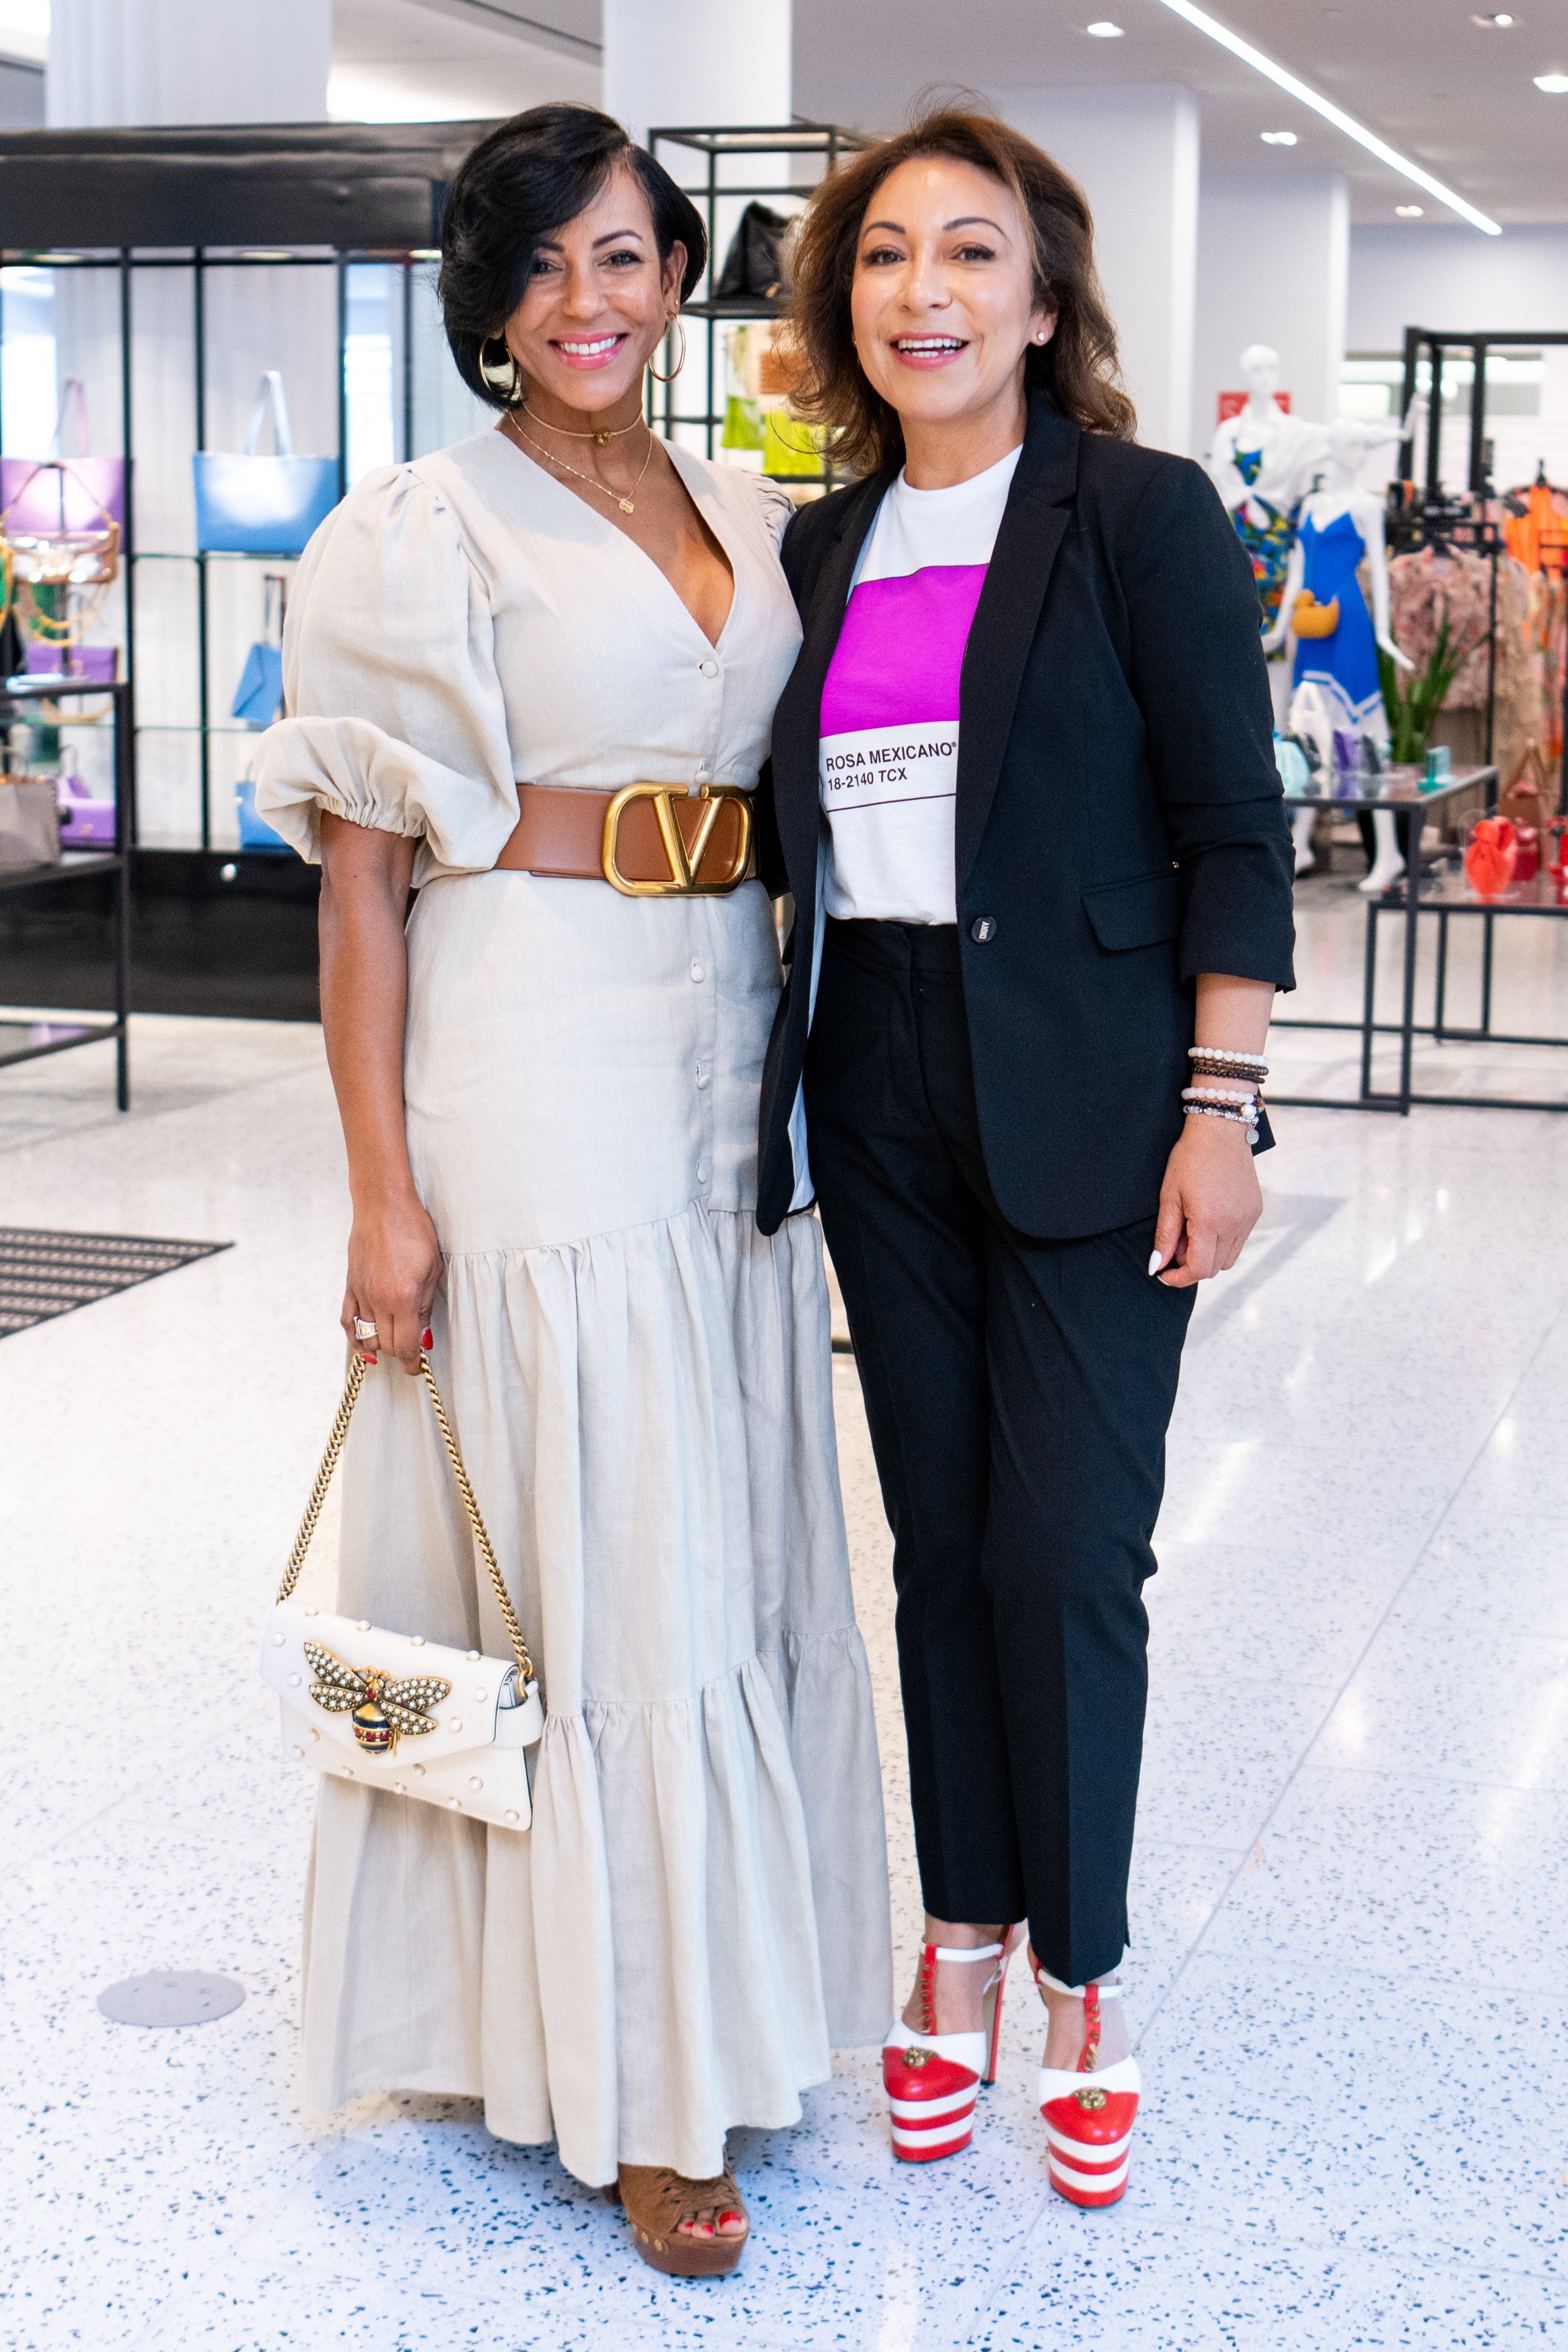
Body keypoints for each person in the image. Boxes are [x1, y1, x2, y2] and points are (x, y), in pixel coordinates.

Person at [253, 102, 891, 2278]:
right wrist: (374, 1196)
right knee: (598, 1541)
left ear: (675, 269)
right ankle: (637, 2084)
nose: (587, 305)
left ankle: (730, 1993)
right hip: (525, 1033)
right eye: (540, 268)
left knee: (710, 1519)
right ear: (483, 300)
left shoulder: (753, 502)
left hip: (727, 1025)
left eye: (622, 257)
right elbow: (358, 890)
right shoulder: (417, 529)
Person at [755, 104, 1295, 2207]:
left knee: (1068, 1549)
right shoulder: (815, 541)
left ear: (1042, 301)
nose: (925, 294)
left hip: (1087, 1079)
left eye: (969, 254)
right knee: (941, 1545)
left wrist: (1216, 1101)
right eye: (886, 257)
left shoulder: (1136, 516)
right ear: (844, 306)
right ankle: (954, 1933)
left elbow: (1228, 833)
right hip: (873, 1067)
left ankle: (1079, 1968)